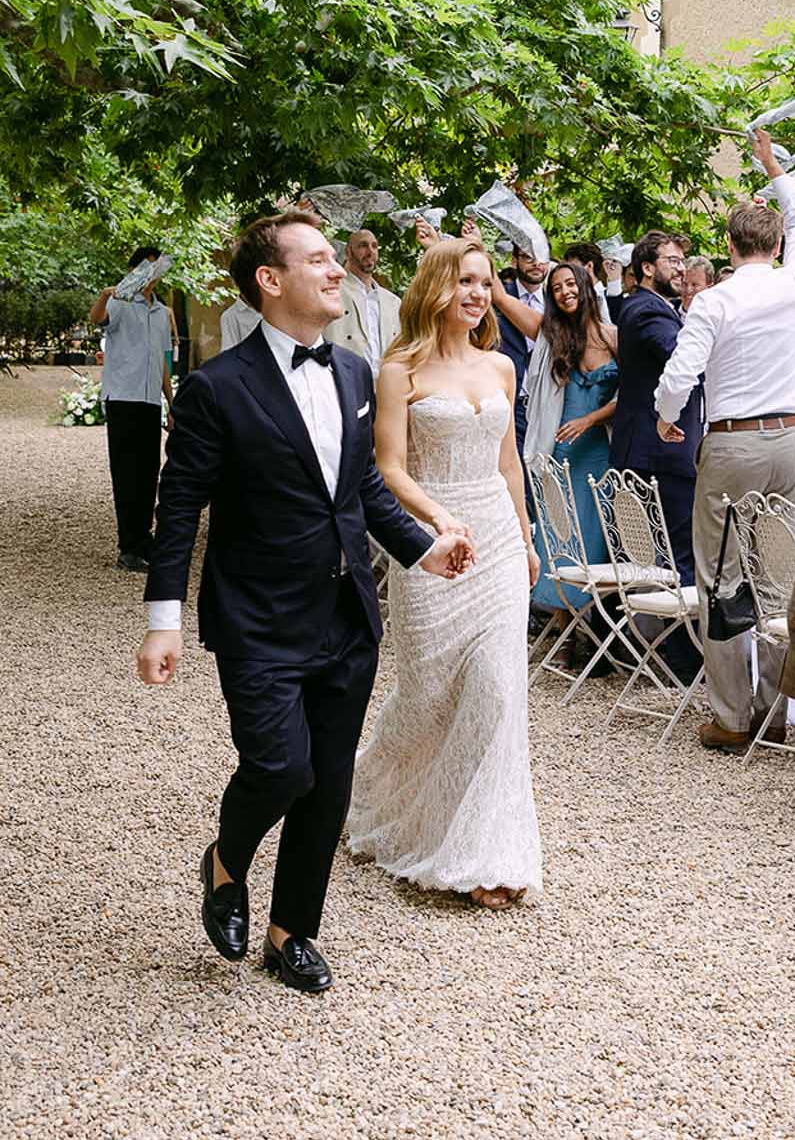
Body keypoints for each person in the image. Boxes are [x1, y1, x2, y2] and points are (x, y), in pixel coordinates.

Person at [135, 212, 472, 993]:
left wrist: (423, 547)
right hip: (257, 618)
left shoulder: (354, 373)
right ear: (269, 280)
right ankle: (226, 861)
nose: (335, 270)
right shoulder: (216, 388)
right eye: (317, 260)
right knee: (281, 767)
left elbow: (360, 490)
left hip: (346, 614)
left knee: (327, 781)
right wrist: (162, 622)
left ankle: (292, 933)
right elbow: (177, 508)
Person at [348, 235, 543, 911]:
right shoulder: (399, 369)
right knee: (427, 693)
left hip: (496, 540)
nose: (477, 294)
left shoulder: (502, 366)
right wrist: (437, 518)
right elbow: (389, 467)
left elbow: (509, 463)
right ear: (435, 286)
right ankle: (375, 796)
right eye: (465, 281)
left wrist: (526, 540)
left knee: (497, 690)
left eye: (485, 283)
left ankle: (488, 853)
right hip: (428, 542)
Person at [655, 131, 795, 751]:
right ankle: (775, 711)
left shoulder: (714, 301)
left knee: (720, 577)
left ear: (728, 245)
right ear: (774, 245)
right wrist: (774, 168)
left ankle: (732, 716)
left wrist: (667, 417)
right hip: (792, 439)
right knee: (777, 575)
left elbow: (679, 376)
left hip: (734, 444)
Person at [525, 261, 618, 609]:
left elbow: (631, 395)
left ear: (585, 285)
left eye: (569, 284)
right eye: (556, 289)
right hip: (561, 451)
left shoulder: (613, 336)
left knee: (594, 534)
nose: (564, 292)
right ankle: (562, 621)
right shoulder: (555, 338)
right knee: (558, 533)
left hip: (599, 451)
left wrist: (590, 420)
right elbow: (504, 300)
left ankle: (590, 622)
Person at [611, 230, 701, 581]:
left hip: (649, 451)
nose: (681, 269)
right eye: (673, 261)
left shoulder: (649, 306)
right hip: (660, 454)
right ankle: (679, 622)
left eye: (683, 261)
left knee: (654, 562)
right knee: (678, 561)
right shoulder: (648, 310)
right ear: (647, 268)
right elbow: (682, 359)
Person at [90, 249, 175, 572]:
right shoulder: (120, 303)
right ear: (132, 270)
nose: (150, 275)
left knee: (149, 473)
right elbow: (97, 319)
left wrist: (171, 404)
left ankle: (143, 540)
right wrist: (105, 295)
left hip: (150, 400)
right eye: (144, 268)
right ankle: (128, 547)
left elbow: (163, 361)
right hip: (123, 398)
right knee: (126, 474)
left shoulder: (162, 312)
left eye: (155, 269)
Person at [489, 244, 549, 458]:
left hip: (547, 405)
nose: (536, 263)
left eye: (541, 257)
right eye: (528, 257)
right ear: (514, 261)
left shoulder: (557, 300)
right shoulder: (495, 297)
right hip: (509, 402)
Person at [325, 228, 402, 378]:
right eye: (363, 245)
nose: (370, 251)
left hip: (384, 384)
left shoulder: (393, 302)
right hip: (343, 380)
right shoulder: (332, 291)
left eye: (374, 246)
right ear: (348, 252)